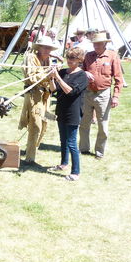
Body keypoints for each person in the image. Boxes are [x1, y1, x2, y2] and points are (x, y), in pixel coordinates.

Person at [79, 30, 124, 159]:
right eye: (94, 44)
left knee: (103, 125)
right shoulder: (88, 56)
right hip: (88, 93)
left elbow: (118, 78)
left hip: (103, 94)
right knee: (84, 123)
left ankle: (99, 151)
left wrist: (115, 96)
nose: (96, 46)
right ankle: (83, 148)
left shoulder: (112, 56)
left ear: (105, 43)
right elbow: (81, 71)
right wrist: (84, 73)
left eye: (99, 44)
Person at [49, 47, 88, 180]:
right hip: (61, 110)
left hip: (73, 112)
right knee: (63, 140)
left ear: (79, 60)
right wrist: (51, 78)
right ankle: (64, 164)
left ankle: (75, 172)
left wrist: (58, 77)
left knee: (71, 142)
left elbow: (70, 91)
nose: (69, 61)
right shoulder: (63, 72)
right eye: (68, 57)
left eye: (72, 58)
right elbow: (54, 90)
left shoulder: (82, 76)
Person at [18, 35, 58, 165]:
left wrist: (52, 74)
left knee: (45, 122)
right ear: (39, 47)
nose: (47, 50)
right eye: (45, 47)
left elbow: (50, 78)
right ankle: (30, 158)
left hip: (46, 96)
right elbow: (31, 78)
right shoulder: (31, 58)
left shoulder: (48, 60)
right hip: (34, 95)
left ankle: (33, 148)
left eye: (49, 48)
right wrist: (48, 73)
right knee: (35, 125)